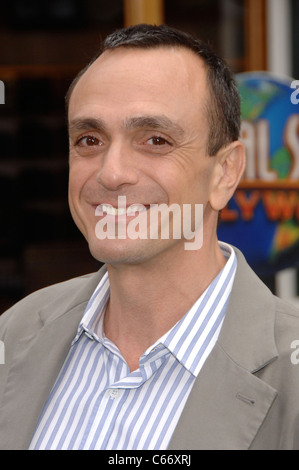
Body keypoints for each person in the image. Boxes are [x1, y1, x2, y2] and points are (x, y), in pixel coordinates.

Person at [1, 23, 299, 451]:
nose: (111, 172)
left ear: (225, 172)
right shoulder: (17, 333)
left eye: (155, 140)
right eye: (89, 139)